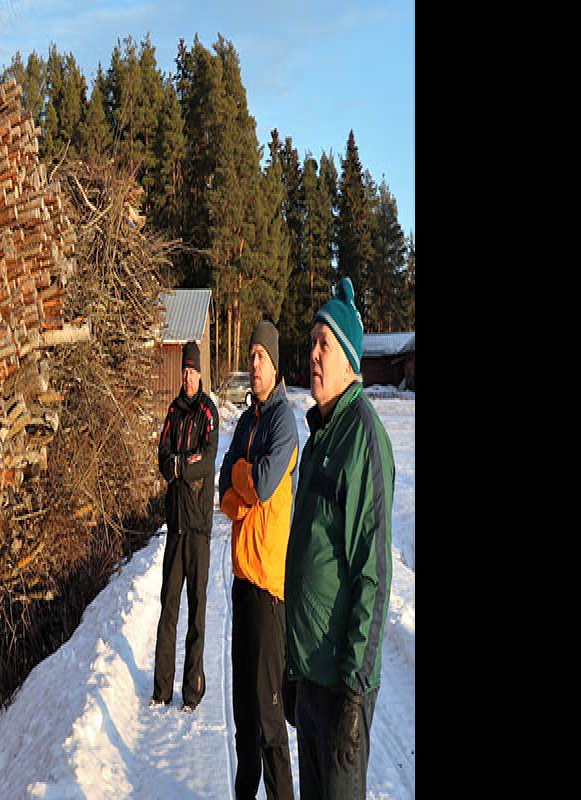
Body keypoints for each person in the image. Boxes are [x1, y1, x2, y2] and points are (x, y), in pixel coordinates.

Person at [283, 277, 395, 800]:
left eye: (324, 344)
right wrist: (292, 662)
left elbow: (372, 576)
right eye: (310, 343)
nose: (313, 354)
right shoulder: (319, 437)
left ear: (350, 359)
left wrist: (354, 692)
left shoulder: (363, 440)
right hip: (310, 676)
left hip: (341, 687)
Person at [218, 320, 299, 800]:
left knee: (270, 721)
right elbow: (222, 484)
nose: (254, 365)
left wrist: (241, 483)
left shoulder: (282, 422)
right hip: (241, 581)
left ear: (274, 363)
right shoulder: (248, 421)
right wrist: (239, 490)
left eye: (261, 357)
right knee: (243, 717)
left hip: (269, 587)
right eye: (250, 356)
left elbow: (264, 483)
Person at [151, 340, 219, 712]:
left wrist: (180, 466)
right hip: (175, 526)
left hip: (199, 530)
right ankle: (162, 690)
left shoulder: (208, 412)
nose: (188, 377)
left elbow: (206, 460)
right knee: (168, 611)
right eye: (184, 370)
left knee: (196, 612)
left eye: (192, 371)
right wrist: (177, 465)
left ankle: (192, 692)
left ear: (200, 373)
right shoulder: (173, 412)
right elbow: (163, 457)